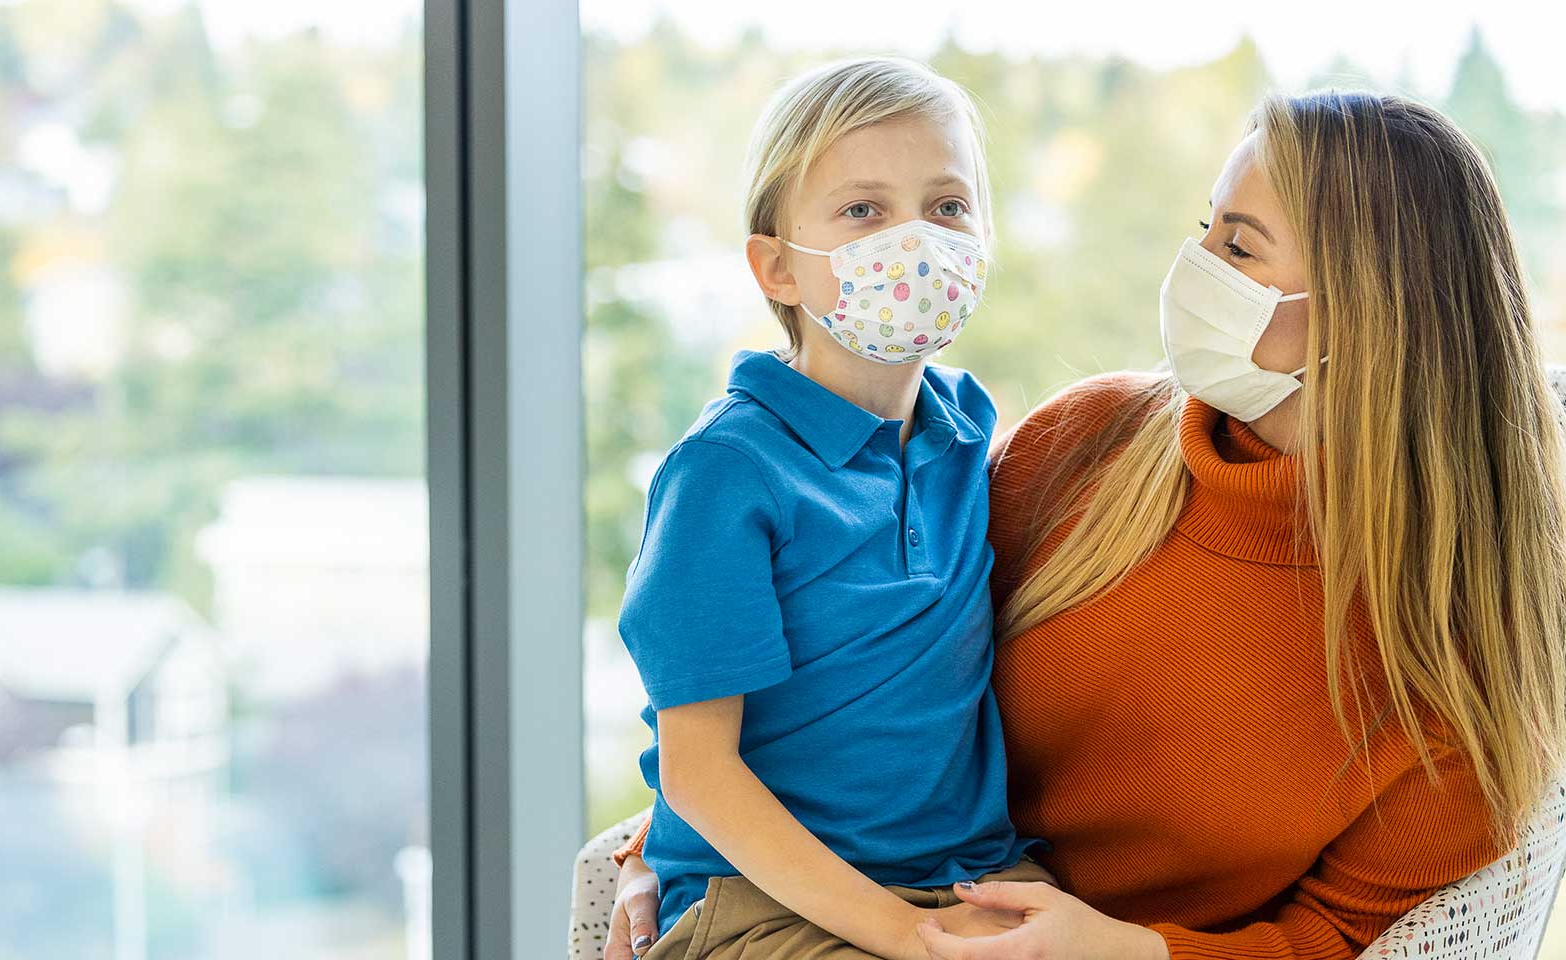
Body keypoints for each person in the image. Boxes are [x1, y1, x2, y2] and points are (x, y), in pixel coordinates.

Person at [603, 88, 1566, 960]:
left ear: (1367, 315)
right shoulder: (1087, 445)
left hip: (985, 908)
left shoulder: (1459, 683)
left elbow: (1345, 940)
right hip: (887, 906)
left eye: (1237, 247)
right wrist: (676, 844)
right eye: (1207, 230)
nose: (1194, 267)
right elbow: (809, 669)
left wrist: (1129, 953)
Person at [614, 57, 1052, 960]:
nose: (916, 240)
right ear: (777, 268)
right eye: (863, 210)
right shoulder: (725, 475)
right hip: (762, 905)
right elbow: (699, 771)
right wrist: (914, 936)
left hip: (967, 873)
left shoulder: (968, 427)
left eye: (948, 207)